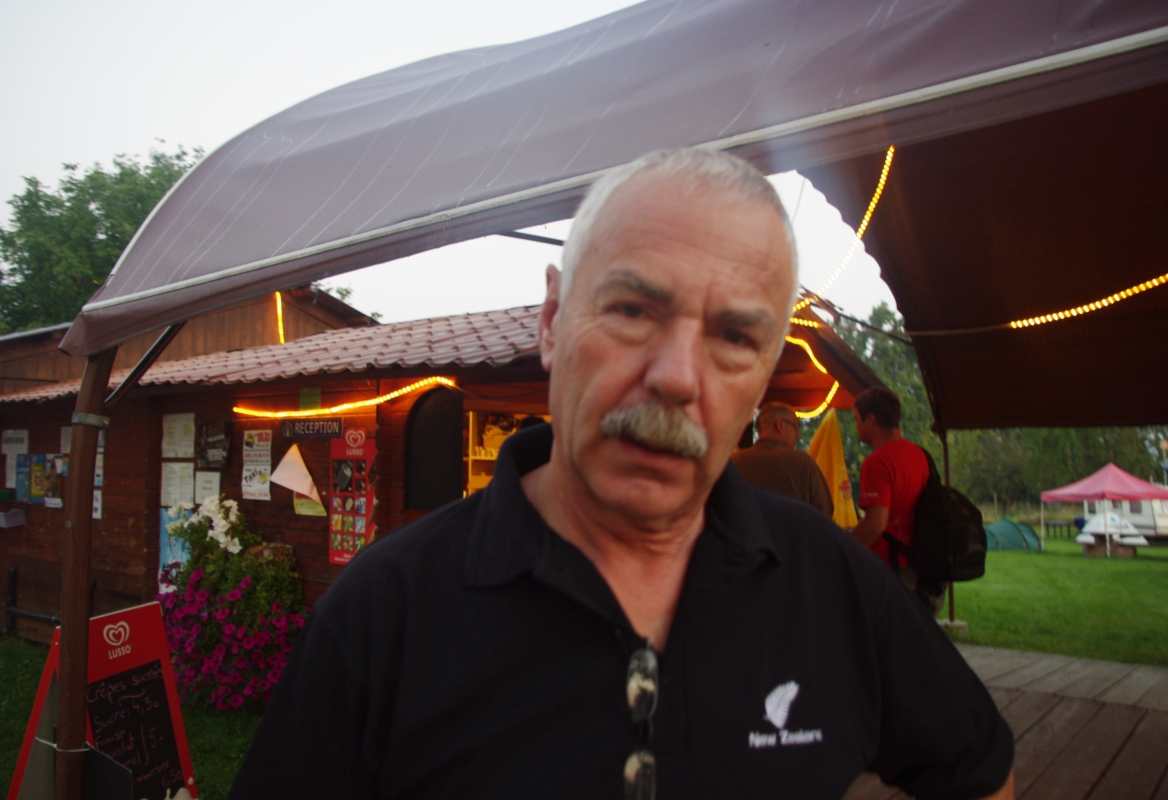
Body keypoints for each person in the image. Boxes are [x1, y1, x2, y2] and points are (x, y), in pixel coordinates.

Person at [230, 148, 1013, 799]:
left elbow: (979, 771)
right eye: (634, 311)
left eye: (734, 338)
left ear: (763, 380)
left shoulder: (831, 586)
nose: (676, 377)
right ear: (552, 320)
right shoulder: (384, 616)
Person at [848, 385, 945, 614]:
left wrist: (844, 546)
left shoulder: (877, 462)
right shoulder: (920, 455)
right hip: (926, 569)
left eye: (857, 419)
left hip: (895, 572)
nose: (856, 426)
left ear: (871, 419)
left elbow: (875, 524)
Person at [731, 400, 833, 516]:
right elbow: (825, 511)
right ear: (780, 425)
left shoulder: (734, 462)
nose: (798, 436)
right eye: (795, 426)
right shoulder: (802, 462)